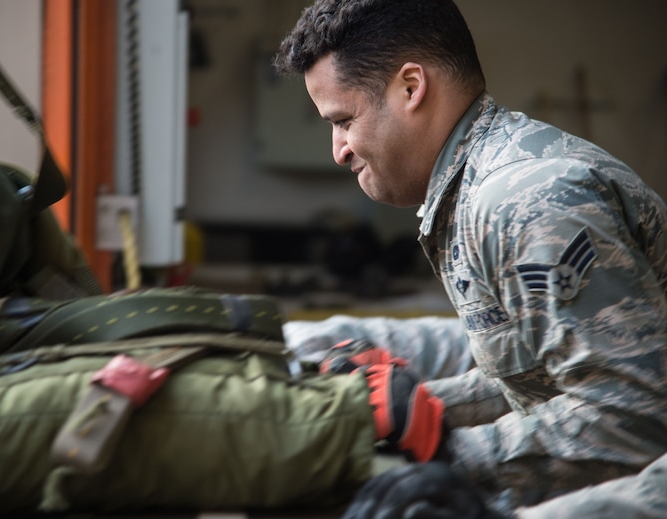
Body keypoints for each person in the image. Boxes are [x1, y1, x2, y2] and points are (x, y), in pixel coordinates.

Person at [274, 0, 667, 515]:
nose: (339, 149)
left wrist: (440, 460)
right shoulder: (472, 188)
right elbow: (538, 377)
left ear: (411, 88)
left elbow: (634, 417)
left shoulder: (526, 200)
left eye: (344, 120)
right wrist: (421, 411)